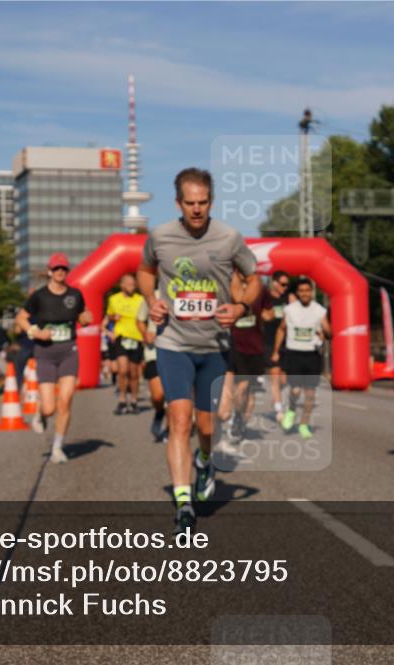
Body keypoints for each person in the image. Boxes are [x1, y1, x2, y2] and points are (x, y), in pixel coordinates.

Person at [138, 167, 260, 534]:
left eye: (203, 203)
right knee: (179, 419)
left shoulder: (229, 238)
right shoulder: (160, 236)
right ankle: (184, 503)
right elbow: (145, 271)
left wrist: (241, 307)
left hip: (214, 347)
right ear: (178, 202)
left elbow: (254, 279)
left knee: (207, 426)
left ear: (211, 201)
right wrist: (152, 301)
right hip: (173, 343)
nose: (196, 209)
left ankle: (205, 460)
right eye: (189, 203)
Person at [15, 252, 93, 464]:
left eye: (63, 268)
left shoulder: (75, 294)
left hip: (69, 351)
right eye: (56, 268)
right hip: (45, 353)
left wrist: (86, 318)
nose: (60, 271)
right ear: (50, 271)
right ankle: (41, 414)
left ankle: (58, 447)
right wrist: (35, 332)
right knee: (50, 408)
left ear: (67, 271)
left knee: (65, 401)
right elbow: (21, 318)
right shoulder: (39, 296)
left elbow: (82, 314)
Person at [271, 278, 329, 439]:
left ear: (312, 292)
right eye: (301, 291)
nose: (304, 294)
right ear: (297, 293)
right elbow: (281, 329)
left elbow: (329, 331)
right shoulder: (290, 310)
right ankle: (291, 410)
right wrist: (276, 351)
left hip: (312, 354)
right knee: (295, 390)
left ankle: (304, 424)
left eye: (307, 291)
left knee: (310, 394)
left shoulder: (319, 310)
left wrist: (325, 332)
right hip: (294, 353)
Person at [219, 282, 273, 442]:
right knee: (237, 388)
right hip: (232, 345)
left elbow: (269, 313)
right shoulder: (226, 287)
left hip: (254, 348)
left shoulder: (261, 289)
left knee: (247, 389)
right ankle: (230, 415)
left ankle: (239, 418)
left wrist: (262, 314)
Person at [105, 274, 146, 415]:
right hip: (121, 337)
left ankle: (133, 400)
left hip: (137, 337)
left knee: (134, 373)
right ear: (122, 285)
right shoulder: (113, 299)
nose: (131, 287)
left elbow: (145, 317)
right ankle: (122, 399)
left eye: (133, 284)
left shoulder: (141, 299)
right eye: (128, 284)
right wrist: (113, 318)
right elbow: (109, 316)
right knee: (122, 370)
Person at [261, 271, 291, 423]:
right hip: (269, 342)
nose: (286, 287)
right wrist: (270, 313)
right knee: (275, 374)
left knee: (284, 380)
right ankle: (279, 410)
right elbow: (264, 316)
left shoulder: (289, 299)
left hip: (287, 343)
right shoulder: (266, 299)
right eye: (283, 284)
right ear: (274, 283)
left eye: (287, 285)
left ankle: (276, 395)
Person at [137, 298, 167, 443]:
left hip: (178, 350)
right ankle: (159, 412)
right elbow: (140, 320)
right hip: (153, 352)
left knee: (175, 398)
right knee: (158, 396)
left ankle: (172, 430)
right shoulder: (150, 296)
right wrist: (145, 333)